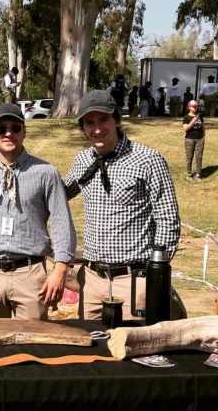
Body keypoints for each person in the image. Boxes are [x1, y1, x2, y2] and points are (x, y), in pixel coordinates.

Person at [64, 90, 181, 321]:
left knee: (133, 352)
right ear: (82, 128)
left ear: (116, 119)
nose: (97, 129)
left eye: (103, 119)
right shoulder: (82, 160)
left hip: (133, 281)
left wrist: (154, 274)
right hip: (91, 280)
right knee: (90, 350)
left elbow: (168, 219)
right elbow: (56, 195)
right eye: (89, 123)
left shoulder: (147, 159)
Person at [0, 103, 76, 319]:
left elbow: (61, 222)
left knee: (34, 344)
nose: (9, 133)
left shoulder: (45, 172)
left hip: (30, 273)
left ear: (24, 131)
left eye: (15, 127)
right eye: (1, 128)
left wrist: (60, 270)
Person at [182, 99, 205, 181]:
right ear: (189, 107)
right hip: (189, 139)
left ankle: (198, 174)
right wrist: (193, 121)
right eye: (193, 106)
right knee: (189, 157)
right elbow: (185, 128)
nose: (195, 108)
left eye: (196, 106)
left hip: (200, 139)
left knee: (199, 157)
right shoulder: (186, 117)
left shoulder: (200, 116)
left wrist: (203, 136)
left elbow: (203, 126)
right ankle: (189, 174)